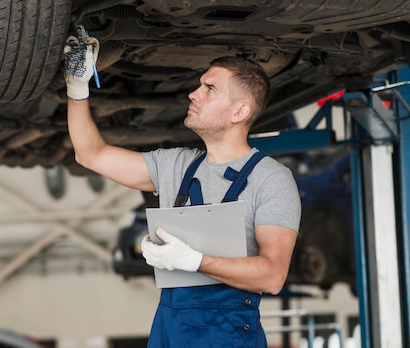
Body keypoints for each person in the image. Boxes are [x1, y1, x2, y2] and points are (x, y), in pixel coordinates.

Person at [64, 26, 301, 347]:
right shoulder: (176, 166)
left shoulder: (271, 179)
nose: (194, 93)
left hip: (226, 332)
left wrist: (194, 262)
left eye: (210, 88)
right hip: (170, 326)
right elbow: (91, 154)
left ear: (240, 111)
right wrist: (78, 89)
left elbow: (272, 276)